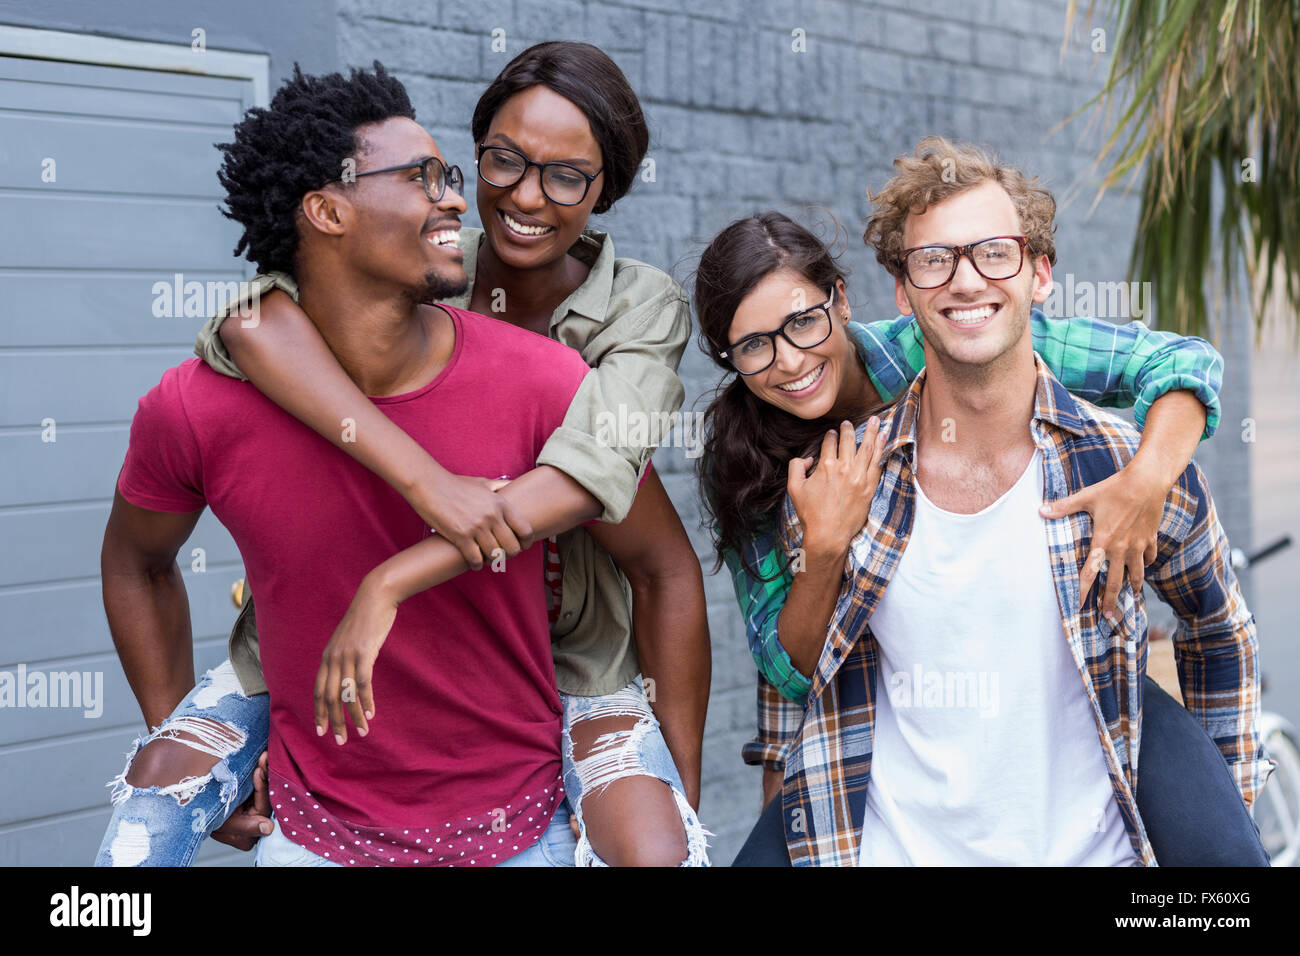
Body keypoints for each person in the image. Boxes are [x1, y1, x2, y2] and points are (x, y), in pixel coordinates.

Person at [96, 61, 704, 868]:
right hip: (323, 734)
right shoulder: (382, 290)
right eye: (494, 164)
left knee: (662, 849)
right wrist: (424, 483)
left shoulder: (611, 330)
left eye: (566, 177)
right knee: (137, 833)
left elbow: (605, 483)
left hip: (569, 650)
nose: (519, 197)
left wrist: (678, 788)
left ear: (604, 191)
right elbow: (253, 322)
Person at [701, 138, 1271, 865]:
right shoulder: (797, 479)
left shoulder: (1110, 459)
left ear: (1039, 273)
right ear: (905, 290)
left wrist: (1147, 479)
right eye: (935, 260)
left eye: (993, 253)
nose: (790, 361)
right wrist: (823, 551)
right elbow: (793, 673)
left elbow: (1180, 366)